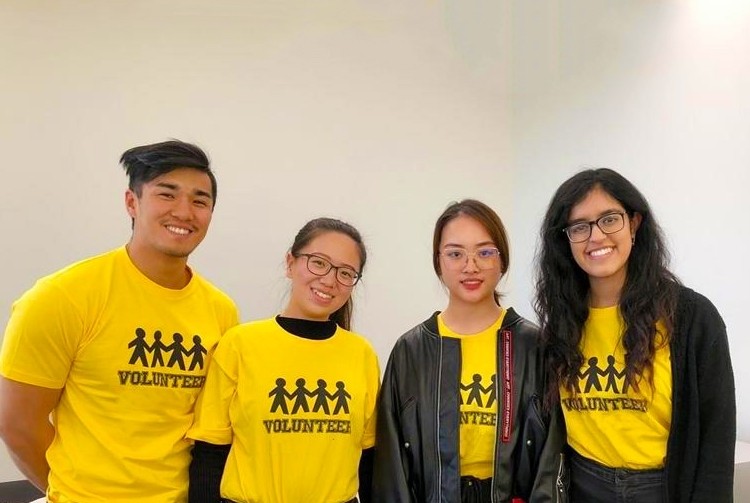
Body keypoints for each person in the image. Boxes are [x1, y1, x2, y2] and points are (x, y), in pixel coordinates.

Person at [0, 140, 239, 502]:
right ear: (132, 202)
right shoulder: (62, 296)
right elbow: (18, 425)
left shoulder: (221, 311)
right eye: (167, 194)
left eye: (200, 201)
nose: (184, 211)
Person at [534, 168, 735, 502]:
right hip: (582, 485)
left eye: (609, 219)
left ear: (634, 223)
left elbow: (717, 436)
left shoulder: (692, 316)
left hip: (661, 489)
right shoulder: (561, 322)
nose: (596, 236)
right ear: (565, 240)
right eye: (579, 226)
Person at [373, 199, 565, 503]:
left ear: (502, 260)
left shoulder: (534, 346)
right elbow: (390, 465)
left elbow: (551, 456)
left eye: (485, 252)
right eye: (455, 254)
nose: (470, 266)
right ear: (438, 262)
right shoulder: (411, 350)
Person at [187, 217, 380, 503]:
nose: (329, 279)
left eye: (345, 272)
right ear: (290, 263)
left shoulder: (361, 354)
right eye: (318, 262)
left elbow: (369, 458)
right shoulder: (240, 344)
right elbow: (209, 451)